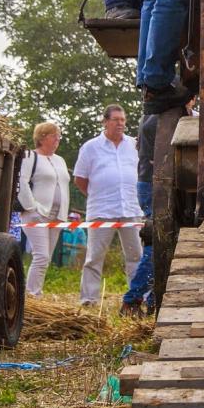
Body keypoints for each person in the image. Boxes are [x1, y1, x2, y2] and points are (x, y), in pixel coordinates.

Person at [74, 105, 144, 305]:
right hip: (101, 210)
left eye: (123, 120)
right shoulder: (90, 147)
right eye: (116, 120)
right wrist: (97, 195)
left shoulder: (134, 144)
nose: (120, 123)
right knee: (94, 257)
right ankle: (89, 300)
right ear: (105, 121)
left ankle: (136, 298)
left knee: (136, 256)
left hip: (131, 208)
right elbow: (80, 179)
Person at [17, 122, 71, 296]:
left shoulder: (60, 160)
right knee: (42, 256)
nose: (58, 139)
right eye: (54, 135)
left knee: (44, 257)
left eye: (59, 135)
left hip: (57, 215)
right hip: (36, 215)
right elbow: (21, 181)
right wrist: (31, 207)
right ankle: (33, 295)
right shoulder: (30, 156)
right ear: (42, 137)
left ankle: (34, 292)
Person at [120, 113, 159, 317]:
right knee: (157, 244)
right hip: (155, 184)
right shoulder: (156, 118)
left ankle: (154, 301)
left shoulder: (152, 116)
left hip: (154, 182)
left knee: (162, 245)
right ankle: (132, 300)